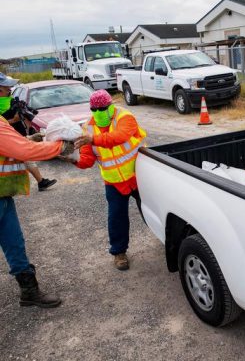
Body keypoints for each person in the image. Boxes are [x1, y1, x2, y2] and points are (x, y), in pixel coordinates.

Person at [0, 74, 75, 308]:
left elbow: (14, 144)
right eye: (4, 91)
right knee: (13, 241)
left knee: (14, 242)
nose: (7, 96)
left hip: (2, 196)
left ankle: (29, 291)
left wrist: (35, 138)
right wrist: (60, 146)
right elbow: (24, 151)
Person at [72, 90, 146, 271]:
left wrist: (93, 139)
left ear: (110, 105)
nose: (98, 112)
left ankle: (164, 238)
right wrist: (71, 158)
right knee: (116, 218)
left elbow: (119, 137)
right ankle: (119, 252)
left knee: (151, 209)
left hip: (140, 175)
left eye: (103, 108)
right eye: (94, 109)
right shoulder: (87, 129)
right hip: (113, 182)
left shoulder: (124, 117)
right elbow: (87, 161)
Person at [0, 74, 57, 191]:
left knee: (25, 158)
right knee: (26, 157)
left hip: (17, 135)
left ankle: (40, 182)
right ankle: (41, 182)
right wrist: (13, 120)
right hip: (10, 139)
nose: (10, 90)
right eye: (7, 88)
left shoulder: (9, 99)